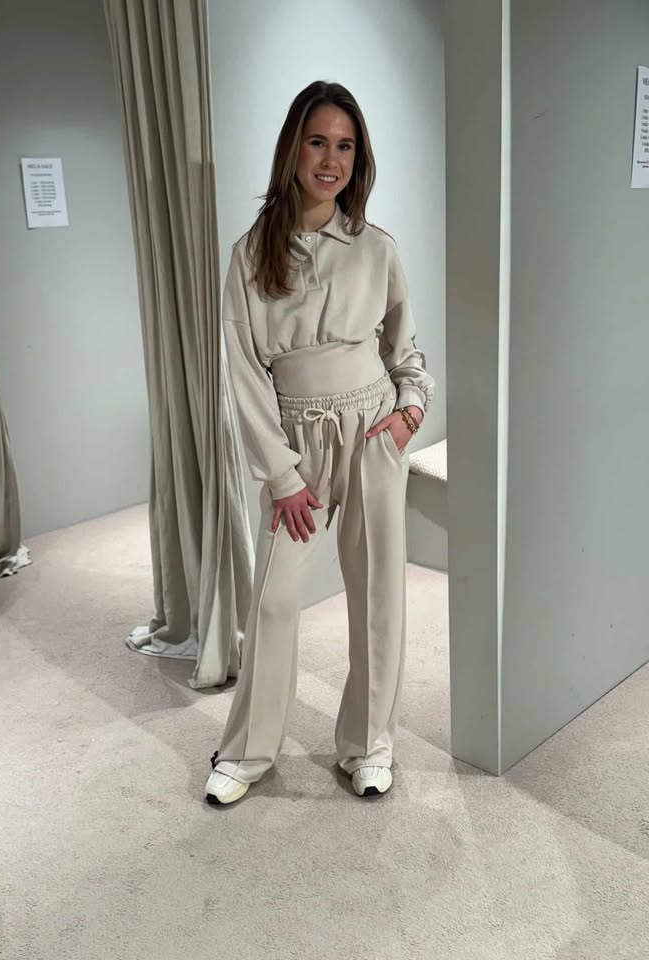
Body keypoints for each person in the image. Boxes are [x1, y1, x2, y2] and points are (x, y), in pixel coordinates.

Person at [205, 80, 436, 805]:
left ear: (357, 158)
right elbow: (244, 373)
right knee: (275, 599)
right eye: (317, 142)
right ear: (293, 149)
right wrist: (281, 475)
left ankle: (368, 745)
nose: (331, 159)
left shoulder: (376, 248)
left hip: (372, 432)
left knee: (377, 595)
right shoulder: (250, 254)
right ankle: (248, 751)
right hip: (297, 440)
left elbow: (405, 351)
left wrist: (410, 411)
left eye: (345, 145)